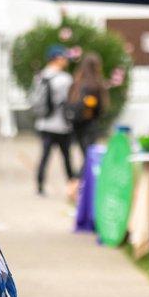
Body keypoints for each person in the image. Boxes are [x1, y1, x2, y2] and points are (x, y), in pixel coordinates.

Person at [34, 45, 74, 196]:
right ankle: (73, 186)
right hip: (62, 124)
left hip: (44, 123)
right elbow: (68, 101)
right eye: (64, 57)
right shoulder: (65, 79)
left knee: (44, 156)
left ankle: (40, 186)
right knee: (66, 157)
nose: (66, 60)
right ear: (58, 59)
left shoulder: (40, 76)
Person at [66, 53, 109, 164]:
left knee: (85, 153)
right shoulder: (95, 85)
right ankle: (82, 178)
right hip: (90, 123)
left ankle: (80, 178)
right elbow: (100, 108)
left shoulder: (77, 83)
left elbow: (69, 101)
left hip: (77, 123)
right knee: (89, 155)